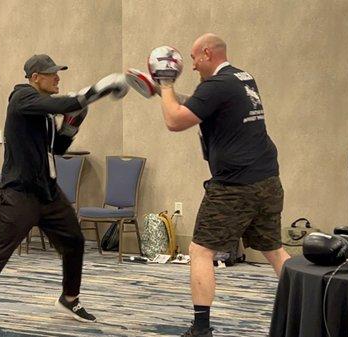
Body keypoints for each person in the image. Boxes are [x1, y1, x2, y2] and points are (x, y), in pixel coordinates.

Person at [0, 54, 128, 337]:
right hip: (20, 194)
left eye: (58, 72)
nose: (57, 77)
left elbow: (56, 149)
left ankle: (69, 299)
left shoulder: (43, 113)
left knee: (74, 241)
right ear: (35, 78)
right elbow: (65, 103)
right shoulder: (22, 98)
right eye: (51, 74)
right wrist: (98, 90)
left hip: (47, 192)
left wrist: (71, 126)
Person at [133, 34, 291, 337]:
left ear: (207, 54)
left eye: (193, 58)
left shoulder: (216, 85)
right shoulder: (242, 78)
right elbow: (196, 107)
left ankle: (201, 328)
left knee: (200, 250)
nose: (191, 66)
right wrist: (162, 93)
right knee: (274, 250)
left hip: (235, 185)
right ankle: (310, 309)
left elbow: (175, 122)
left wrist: (166, 84)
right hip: (267, 178)